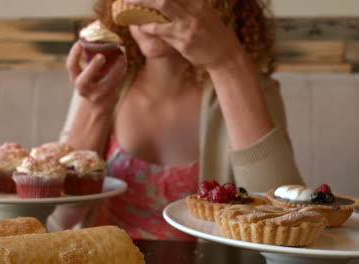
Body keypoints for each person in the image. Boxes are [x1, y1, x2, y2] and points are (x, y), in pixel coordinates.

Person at [48, 0, 304, 241]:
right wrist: (97, 109)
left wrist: (227, 64)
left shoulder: (249, 88)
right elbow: (56, 218)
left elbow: (284, 225)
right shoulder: (107, 80)